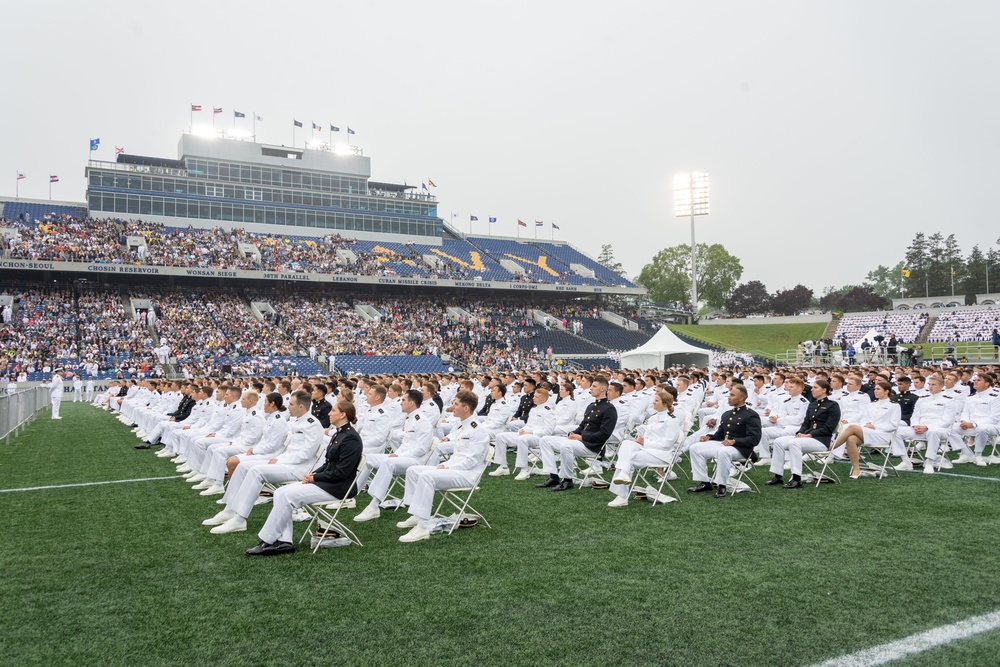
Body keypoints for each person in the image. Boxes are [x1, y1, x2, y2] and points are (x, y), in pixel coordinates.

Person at [245, 399, 363, 556]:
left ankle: (268, 541)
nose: (329, 413)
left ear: (343, 415)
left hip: (338, 487)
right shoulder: (340, 433)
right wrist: (313, 474)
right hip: (327, 482)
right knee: (281, 493)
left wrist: (316, 478)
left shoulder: (350, 438)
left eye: (333, 410)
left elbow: (341, 472)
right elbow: (329, 463)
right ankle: (284, 542)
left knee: (287, 496)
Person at [203, 390, 326, 534]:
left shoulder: (312, 425)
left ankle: (239, 519)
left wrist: (280, 459)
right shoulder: (296, 421)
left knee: (256, 471)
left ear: (300, 407)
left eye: (291, 404)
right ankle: (229, 510)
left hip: (298, 468)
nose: (288, 406)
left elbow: (306, 454)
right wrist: (280, 459)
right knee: (242, 466)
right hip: (286, 462)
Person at [396, 390, 489, 543]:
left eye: (456, 404)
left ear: (466, 408)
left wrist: (447, 468)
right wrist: (445, 465)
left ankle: (423, 527)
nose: (452, 407)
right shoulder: (462, 426)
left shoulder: (477, 429)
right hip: (456, 469)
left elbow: (471, 461)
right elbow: (457, 456)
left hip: (467, 475)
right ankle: (417, 516)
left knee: (426, 477)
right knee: (413, 471)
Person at [353, 389, 436, 522]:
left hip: (416, 460)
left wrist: (399, 456)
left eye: (403, 400)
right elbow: (405, 444)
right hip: (404, 457)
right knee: (369, 459)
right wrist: (396, 454)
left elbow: (422, 449)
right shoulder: (411, 418)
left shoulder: (422, 421)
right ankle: (352, 494)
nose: (400, 403)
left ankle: (374, 506)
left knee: (388, 463)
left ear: (412, 403)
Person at [536, 377, 618, 492]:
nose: (591, 388)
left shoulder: (609, 409)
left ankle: (567, 480)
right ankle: (554, 476)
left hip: (592, 446)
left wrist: (582, 437)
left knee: (566, 446)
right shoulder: (591, 406)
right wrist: (574, 433)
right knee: (545, 440)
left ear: (603, 388)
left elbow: (604, 434)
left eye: (594, 386)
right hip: (580, 441)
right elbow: (583, 425)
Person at [608, 391, 682, 506]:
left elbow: (667, 444)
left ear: (665, 403)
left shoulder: (672, 420)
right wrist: (641, 441)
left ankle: (622, 496)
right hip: (646, 449)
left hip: (661, 455)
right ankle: (623, 474)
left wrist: (645, 442)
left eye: (657, 400)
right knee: (627, 443)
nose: (654, 402)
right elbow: (646, 437)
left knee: (629, 458)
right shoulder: (653, 418)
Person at [687, 384, 761, 498]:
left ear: (741, 398)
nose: (729, 397)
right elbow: (720, 434)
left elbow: (754, 439)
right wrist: (709, 437)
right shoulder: (727, 414)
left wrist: (734, 441)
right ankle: (705, 483)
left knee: (723, 451)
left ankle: (722, 485)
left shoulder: (751, 415)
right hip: (725, 445)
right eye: (729, 395)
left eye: (732, 395)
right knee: (695, 448)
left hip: (741, 448)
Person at [766, 380, 841, 488]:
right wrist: (800, 433)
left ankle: (796, 479)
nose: (812, 389)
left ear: (824, 390)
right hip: (807, 438)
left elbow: (829, 428)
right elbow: (806, 423)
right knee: (778, 441)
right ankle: (778, 476)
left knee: (794, 443)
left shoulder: (833, 405)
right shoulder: (812, 404)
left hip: (821, 440)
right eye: (813, 387)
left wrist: (810, 434)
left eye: (815, 387)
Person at [831, 381, 901, 478]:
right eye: (875, 389)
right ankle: (856, 469)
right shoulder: (872, 405)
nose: (875, 391)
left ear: (886, 391)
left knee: (851, 427)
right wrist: (866, 425)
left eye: (878, 389)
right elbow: (864, 420)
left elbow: (894, 425)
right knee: (851, 439)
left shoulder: (894, 406)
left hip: (882, 435)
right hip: (868, 433)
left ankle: (831, 447)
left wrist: (875, 426)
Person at [892, 375, 958, 474]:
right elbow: (915, 416)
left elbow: (947, 421)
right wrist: (915, 425)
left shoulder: (949, 401)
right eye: (929, 384)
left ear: (941, 386)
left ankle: (929, 463)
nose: (930, 387)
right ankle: (906, 461)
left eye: (934, 385)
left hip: (940, 430)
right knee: (896, 431)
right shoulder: (922, 399)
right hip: (920, 429)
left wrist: (926, 427)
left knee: (933, 431)